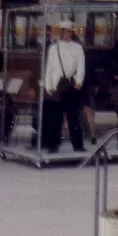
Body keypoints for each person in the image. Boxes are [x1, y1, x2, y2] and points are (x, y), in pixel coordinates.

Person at [43, 18, 86, 153]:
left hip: (71, 85)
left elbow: (81, 66)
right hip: (57, 86)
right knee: (56, 118)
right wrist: (48, 85)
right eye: (66, 31)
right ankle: (53, 145)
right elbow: (49, 68)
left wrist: (79, 82)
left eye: (70, 31)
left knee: (74, 118)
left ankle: (78, 146)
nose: (68, 34)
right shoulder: (54, 48)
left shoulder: (78, 48)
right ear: (61, 32)